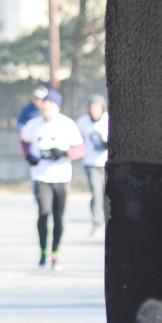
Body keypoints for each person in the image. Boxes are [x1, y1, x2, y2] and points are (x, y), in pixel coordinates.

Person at [20, 89, 85, 270]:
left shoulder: (67, 124)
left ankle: (55, 253)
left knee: (58, 217)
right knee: (43, 212)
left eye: (50, 105)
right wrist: (28, 156)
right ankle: (43, 252)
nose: (45, 108)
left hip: (61, 176)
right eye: (44, 104)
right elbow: (24, 141)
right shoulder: (33, 124)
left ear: (57, 107)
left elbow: (80, 149)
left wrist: (64, 153)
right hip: (41, 176)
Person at [76, 94, 109, 237]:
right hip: (91, 163)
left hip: (107, 163)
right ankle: (97, 222)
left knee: (107, 194)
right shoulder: (82, 122)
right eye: (92, 107)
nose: (95, 110)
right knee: (96, 192)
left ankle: (108, 219)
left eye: (97, 107)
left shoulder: (108, 120)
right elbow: (76, 140)